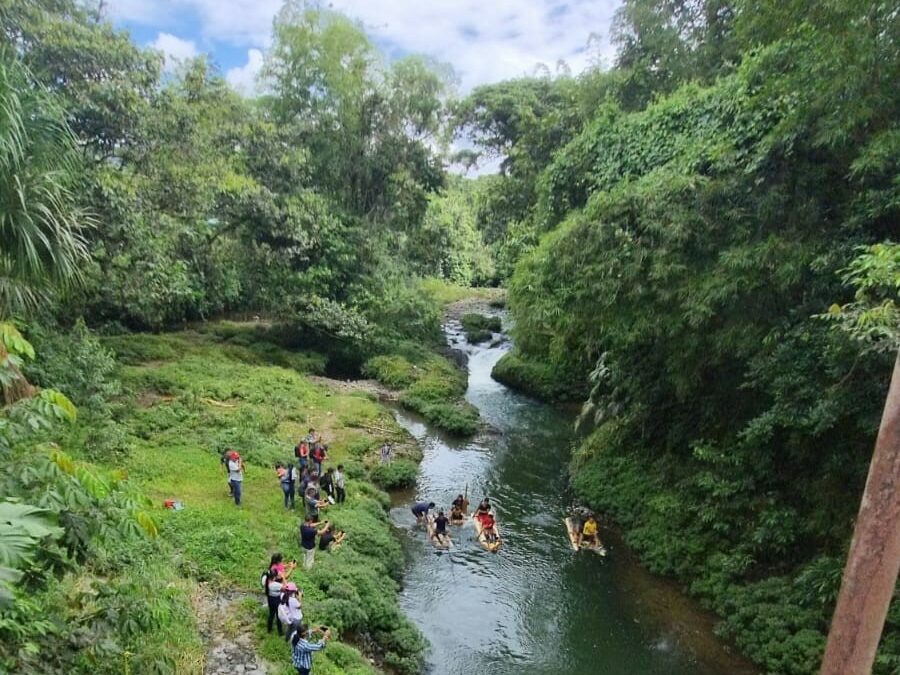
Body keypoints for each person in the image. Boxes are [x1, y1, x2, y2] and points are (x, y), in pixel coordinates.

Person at [264, 568, 285, 635]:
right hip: (276, 600)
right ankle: (280, 632)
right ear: (274, 577)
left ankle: (269, 630)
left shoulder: (266, 581)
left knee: (271, 614)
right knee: (278, 616)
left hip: (270, 599)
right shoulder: (276, 585)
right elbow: (285, 588)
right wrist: (283, 578)